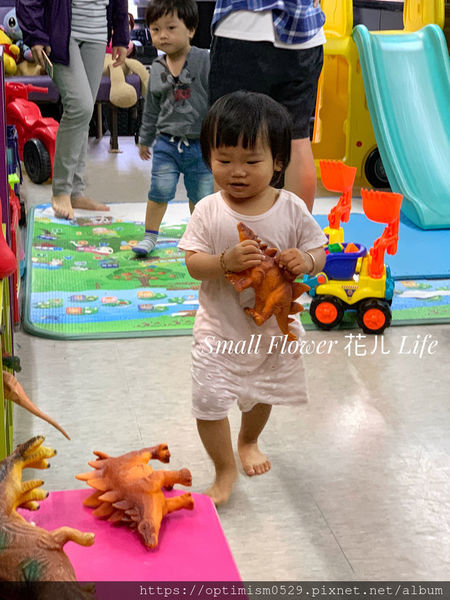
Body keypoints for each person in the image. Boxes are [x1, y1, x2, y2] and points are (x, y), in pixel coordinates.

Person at [179, 91, 327, 505]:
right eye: (224, 160)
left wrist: (306, 261)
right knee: (208, 401)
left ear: (278, 162)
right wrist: (223, 262)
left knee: (262, 394)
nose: (237, 172)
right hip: (218, 331)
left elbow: (320, 250)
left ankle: (248, 440)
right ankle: (224, 468)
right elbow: (193, 264)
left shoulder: (291, 208)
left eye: (251, 161)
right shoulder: (209, 210)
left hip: (269, 335)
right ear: (209, 157)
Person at [16, 0, 129, 221]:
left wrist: (121, 35)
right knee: (79, 106)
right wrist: (35, 34)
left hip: (97, 31)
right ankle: (61, 190)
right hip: (62, 32)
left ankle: (76, 191)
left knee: (84, 113)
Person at [208, 0, 325, 213]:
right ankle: (300, 231)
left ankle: (231, 230)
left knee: (228, 137)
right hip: (303, 33)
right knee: (297, 140)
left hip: (242, 25)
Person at [133, 0, 214, 257]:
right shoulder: (157, 67)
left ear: (190, 30)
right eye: (155, 29)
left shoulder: (204, 60)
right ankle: (150, 235)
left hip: (201, 145)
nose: (162, 36)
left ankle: (201, 238)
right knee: (159, 191)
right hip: (166, 144)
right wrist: (145, 138)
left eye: (170, 28)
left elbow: (216, 99)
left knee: (201, 197)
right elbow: (151, 108)